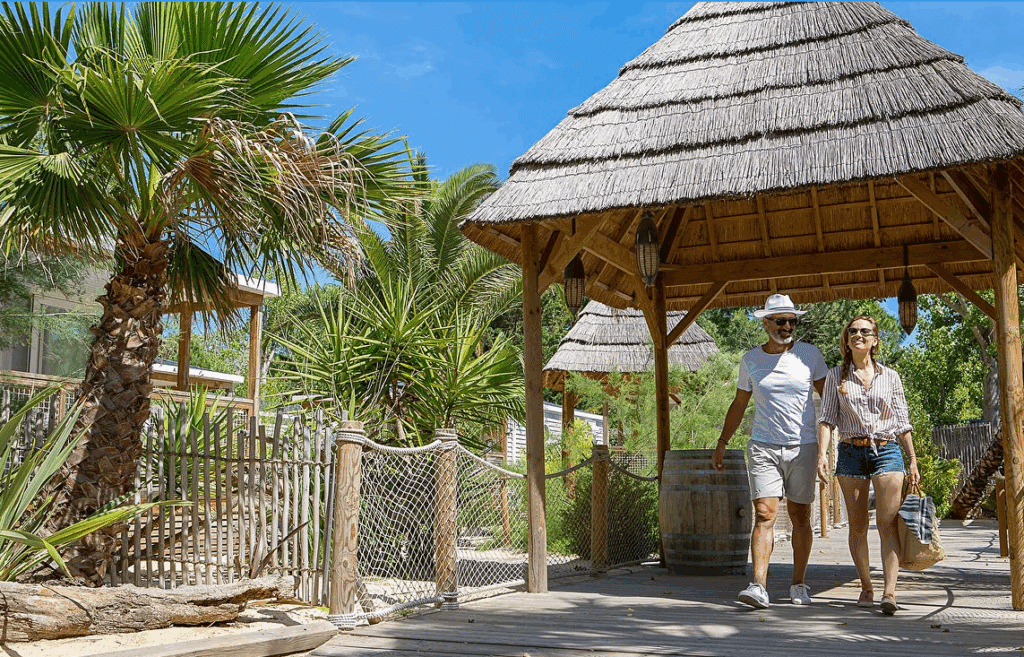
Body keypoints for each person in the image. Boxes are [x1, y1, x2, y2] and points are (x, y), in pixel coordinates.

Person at [713, 294, 826, 609]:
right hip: (763, 445)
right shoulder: (751, 360)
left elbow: (830, 399)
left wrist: (833, 442)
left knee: (800, 516)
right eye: (780, 321)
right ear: (765, 323)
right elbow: (739, 404)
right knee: (764, 514)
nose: (787, 326)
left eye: (792, 321)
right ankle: (758, 586)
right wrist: (722, 441)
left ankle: (798, 584)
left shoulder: (810, 355)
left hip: (804, 446)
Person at [817, 315, 920, 616]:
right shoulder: (836, 377)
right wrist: (823, 454)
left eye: (865, 331)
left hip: (887, 451)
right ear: (846, 340)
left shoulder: (891, 377)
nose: (858, 335)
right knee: (858, 526)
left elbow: (903, 422)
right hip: (850, 451)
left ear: (875, 340)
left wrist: (912, 459)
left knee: (887, 524)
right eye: (852, 331)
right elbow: (826, 419)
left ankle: (890, 591)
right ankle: (867, 587)